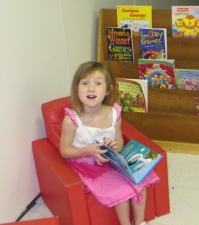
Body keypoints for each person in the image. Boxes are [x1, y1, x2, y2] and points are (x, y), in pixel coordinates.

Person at [60, 61, 160, 225]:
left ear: (108, 90)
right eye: (85, 83)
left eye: (98, 83)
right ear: (76, 88)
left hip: (112, 161)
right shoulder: (71, 120)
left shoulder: (114, 113)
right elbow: (65, 151)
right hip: (88, 166)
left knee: (142, 176)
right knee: (120, 189)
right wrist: (89, 150)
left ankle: (140, 222)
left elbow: (119, 142)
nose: (91, 88)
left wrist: (114, 146)